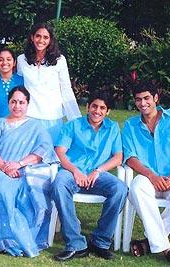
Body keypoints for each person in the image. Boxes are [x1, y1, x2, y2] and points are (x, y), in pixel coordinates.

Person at [122, 81, 170, 267]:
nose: (142, 103)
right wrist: (151, 176)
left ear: (156, 98)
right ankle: (166, 249)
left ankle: (148, 242)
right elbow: (130, 157)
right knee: (136, 188)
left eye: (146, 98)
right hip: (149, 178)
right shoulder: (130, 126)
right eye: (138, 100)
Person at [0, 86, 58, 257]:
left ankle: (24, 239)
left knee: (29, 189)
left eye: (21, 102)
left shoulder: (36, 126)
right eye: (14, 102)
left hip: (25, 170)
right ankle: (4, 240)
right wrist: (5, 167)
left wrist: (19, 164)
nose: (17, 106)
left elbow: (44, 151)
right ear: (8, 103)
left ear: (28, 104)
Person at [51, 91, 127, 261]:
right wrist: (75, 171)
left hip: (97, 175)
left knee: (120, 189)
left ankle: (100, 241)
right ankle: (76, 243)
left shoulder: (113, 128)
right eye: (94, 106)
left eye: (102, 108)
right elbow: (60, 151)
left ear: (107, 111)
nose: (97, 111)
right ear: (87, 107)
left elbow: (118, 157)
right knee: (59, 184)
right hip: (72, 172)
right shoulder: (73, 125)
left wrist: (98, 171)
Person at [17, 22, 81, 142]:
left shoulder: (60, 60)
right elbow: (19, 87)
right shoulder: (21, 59)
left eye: (45, 37)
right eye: (38, 36)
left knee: (51, 157)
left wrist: (76, 120)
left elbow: (66, 90)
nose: (41, 40)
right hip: (29, 116)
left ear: (50, 40)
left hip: (53, 117)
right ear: (32, 37)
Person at [0, 47, 24, 127]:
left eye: (8, 59)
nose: (5, 62)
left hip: (16, 128)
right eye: (1, 60)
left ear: (14, 62)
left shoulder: (21, 81)